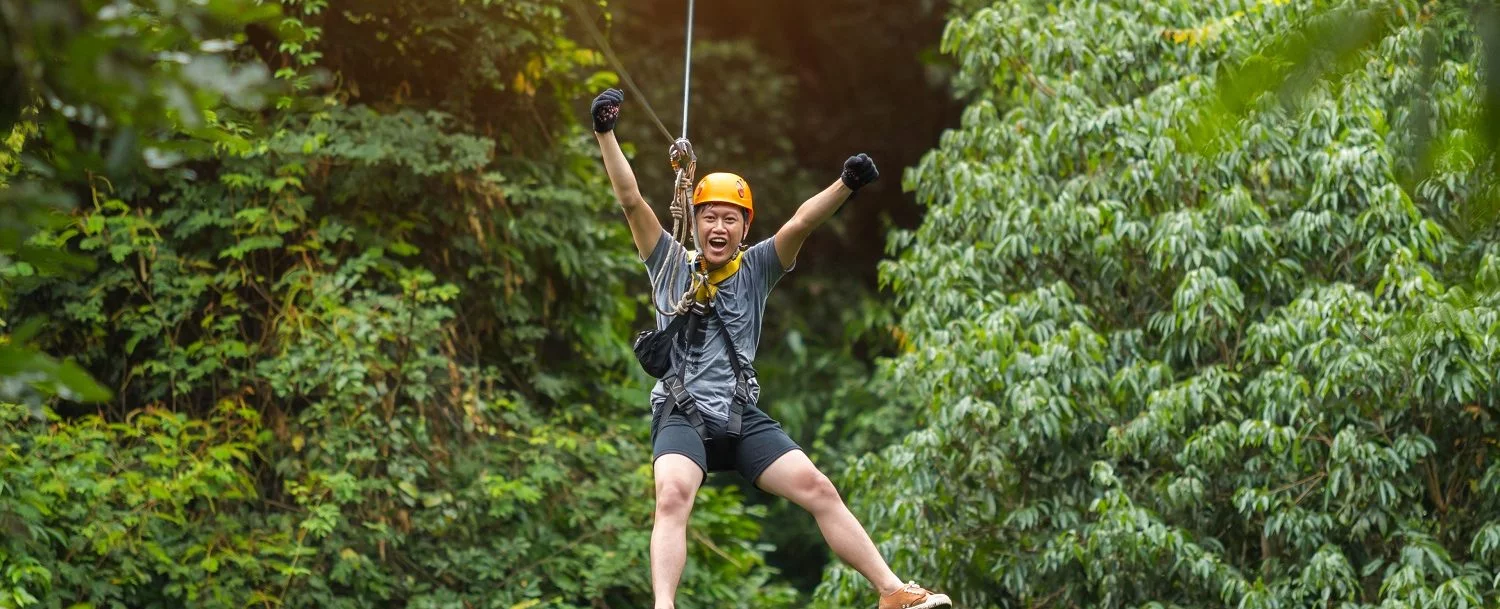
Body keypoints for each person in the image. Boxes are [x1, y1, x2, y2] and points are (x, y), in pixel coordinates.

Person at [589, 87, 953, 609]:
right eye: (709, 217)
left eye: (729, 218)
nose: (718, 226)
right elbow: (631, 201)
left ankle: (893, 593)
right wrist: (605, 132)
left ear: (744, 228)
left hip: (739, 417)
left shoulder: (758, 268)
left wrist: (845, 185)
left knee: (819, 489)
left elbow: (802, 222)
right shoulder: (667, 261)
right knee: (672, 495)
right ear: (693, 222)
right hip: (681, 413)